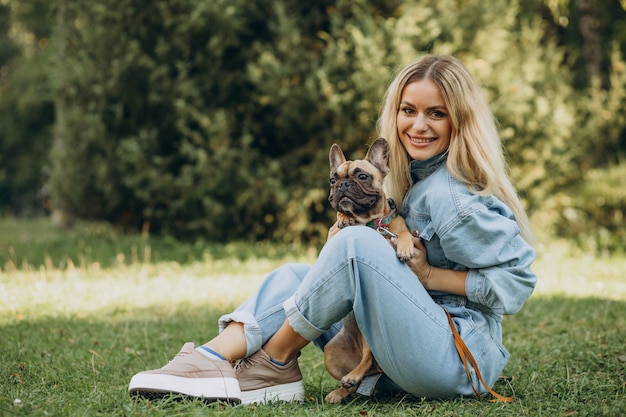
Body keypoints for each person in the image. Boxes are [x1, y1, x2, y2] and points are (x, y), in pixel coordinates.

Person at [128, 55, 537, 404]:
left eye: (437, 113)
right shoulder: (410, 183)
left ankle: (274, 364)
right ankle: (211, 357)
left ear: (459, 120)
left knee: (356, 242)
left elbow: (515, 283)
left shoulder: (453, 198)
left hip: (455, 359)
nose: (419, 125)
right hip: (401, 354)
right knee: (294, 275)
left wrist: (428, 275)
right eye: (408, 110)